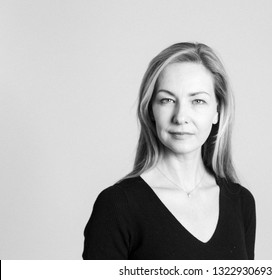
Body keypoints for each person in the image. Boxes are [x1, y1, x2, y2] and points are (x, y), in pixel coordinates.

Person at [82, 42, 256, 260]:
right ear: (151, 110)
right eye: (167, 100)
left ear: (217, 111)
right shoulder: (117, 207)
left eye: (198, 101)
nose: (180, 116)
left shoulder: (241, 203)